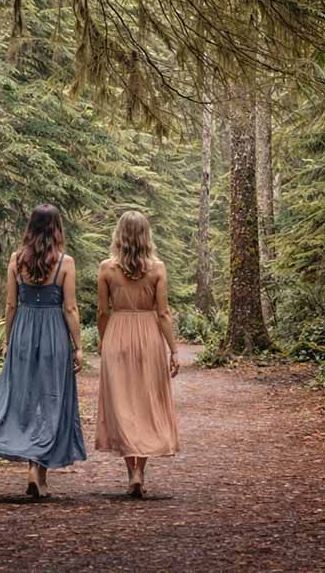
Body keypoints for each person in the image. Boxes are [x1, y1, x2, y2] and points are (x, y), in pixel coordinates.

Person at [0, 204, 86, 498]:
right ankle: (40, 472)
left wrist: (8, 340)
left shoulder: (16, 260)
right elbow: (70, 307)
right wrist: (78, 346)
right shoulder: (65, 262)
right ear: (57, 228)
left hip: (24, 330)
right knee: (50, 399)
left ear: (30, 228)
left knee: (24, 398)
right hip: (53, 334)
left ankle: (31, 468)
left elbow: (10, 305)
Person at [95, 210, 180, 497]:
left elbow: (103, 311)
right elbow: (164, 312)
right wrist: (173, 349)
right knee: (145, 402)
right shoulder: (157, 268)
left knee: (122, 403)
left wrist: (103, 340)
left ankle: (130, 470)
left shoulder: (107, 268)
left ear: (119, 235)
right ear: (146, 236)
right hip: (148, 337)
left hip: (117, 333)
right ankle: (140, 471)